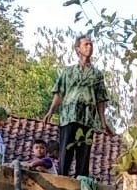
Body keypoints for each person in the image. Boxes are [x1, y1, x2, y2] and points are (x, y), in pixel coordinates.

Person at [43, 35, 114, 177]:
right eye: (86, 44)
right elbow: (59, 93)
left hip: (87, 119)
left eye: (91, 44)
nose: (90, 47)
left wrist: (103, 122)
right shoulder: (68, 72)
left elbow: (101, 100)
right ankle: (62, 179)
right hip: (68, 117)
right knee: (65, 151)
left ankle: (81, 181)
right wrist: (51, 111)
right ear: (78, 49)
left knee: (84, 154)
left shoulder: (97, 75)